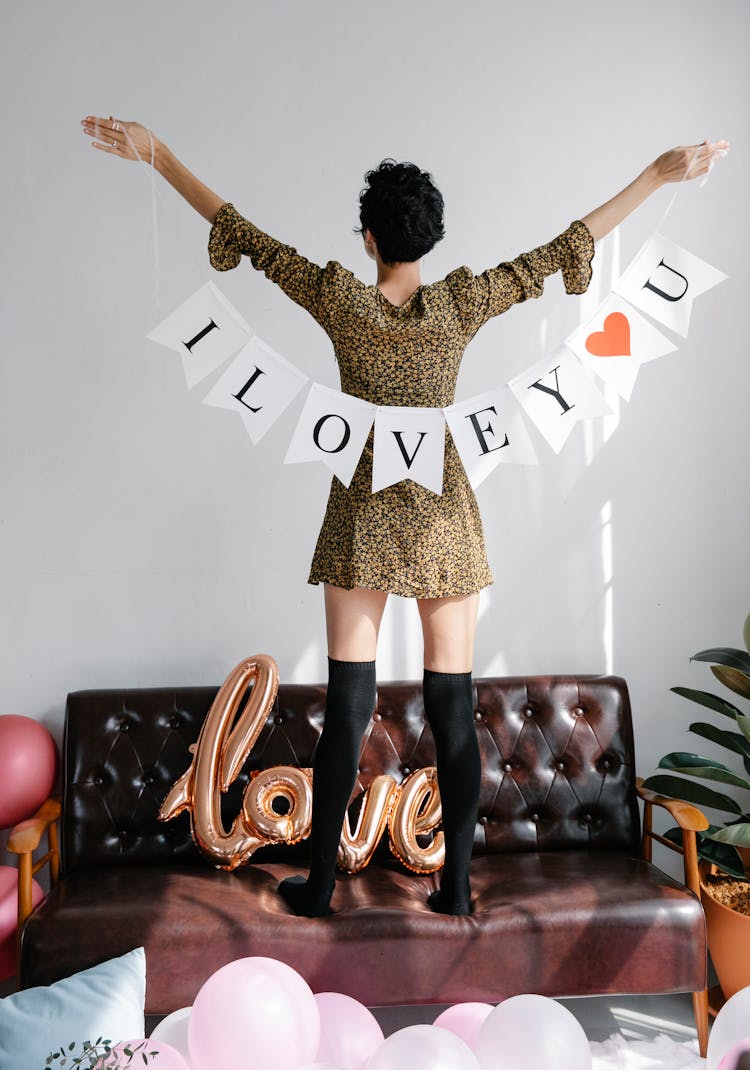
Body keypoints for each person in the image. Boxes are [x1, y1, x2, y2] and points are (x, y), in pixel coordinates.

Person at [80, 116, 728, 916]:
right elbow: (563, 244)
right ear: (430, 238)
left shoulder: (341, 301)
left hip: (361, 508)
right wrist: (658, 175)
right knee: (453, 704)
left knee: (349, 706)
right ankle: (456, 886)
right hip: (445, 513)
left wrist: (162, 156)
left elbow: (242, 233)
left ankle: (319, 885)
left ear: (368, 237)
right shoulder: (462, 302)